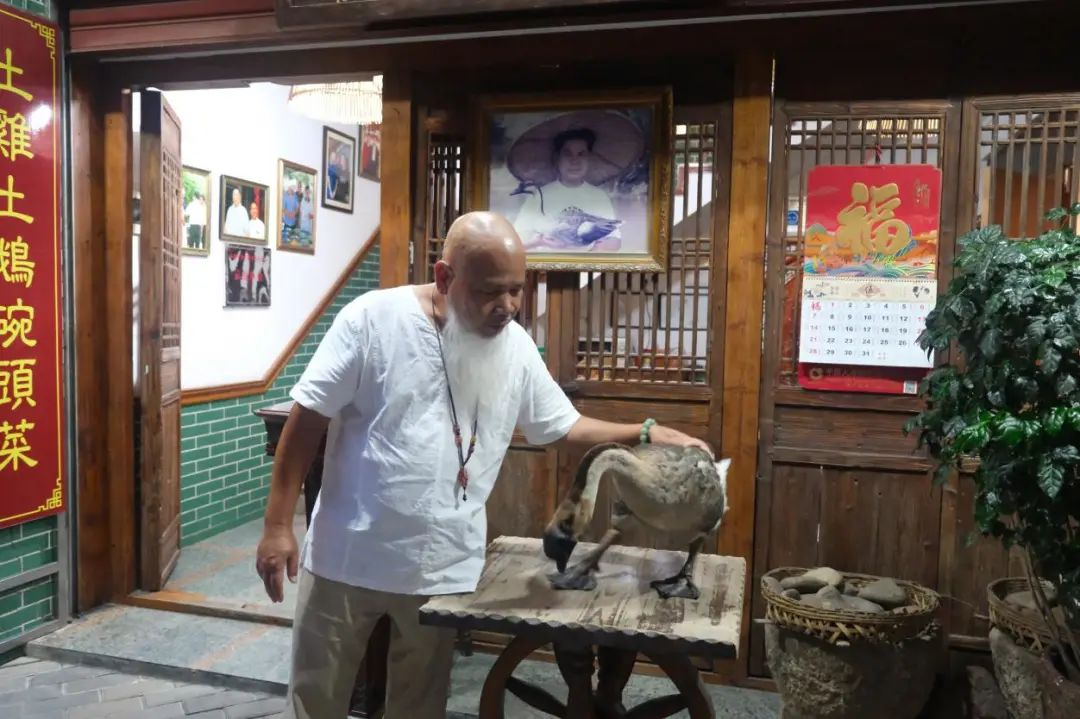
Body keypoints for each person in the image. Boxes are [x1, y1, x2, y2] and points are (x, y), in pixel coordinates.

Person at [255, 210, 712, 719]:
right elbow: (309, 416)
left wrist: (644, 432)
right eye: (490, 291)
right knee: (317, 699)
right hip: (348, 553)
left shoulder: (514, 346)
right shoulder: (373, 319)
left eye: (517, 289)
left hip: (441, 564)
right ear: (444, 276)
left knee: (419, 706)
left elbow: (562, 426)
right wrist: (277, 525)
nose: (508, 307)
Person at [512, 127, 622, 251]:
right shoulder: (538, 196)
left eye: (581, 154)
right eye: (567, 154)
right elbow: (516, 242)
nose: (574, 161)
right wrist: (540, 242)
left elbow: (614, 240)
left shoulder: (599, 197)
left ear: (589, 159)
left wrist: (591, 254)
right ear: (557, 158)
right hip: (546, 263)